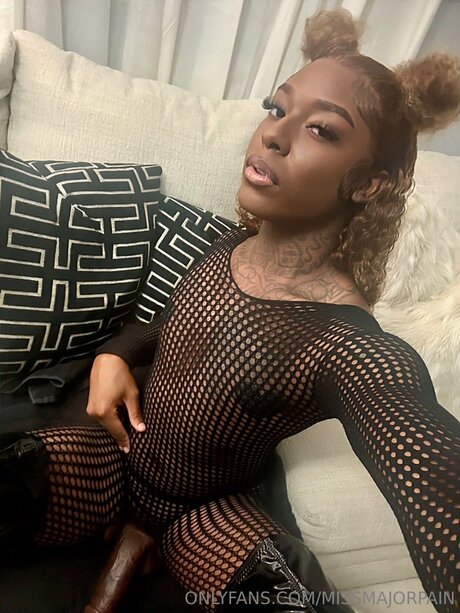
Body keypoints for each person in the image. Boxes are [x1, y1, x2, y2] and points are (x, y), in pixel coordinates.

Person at [1, 8, 459, 613]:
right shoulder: (227, 246)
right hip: (113, 456)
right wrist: (115, 354)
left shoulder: (348, 344)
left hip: (206, 515)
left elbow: (434, 472)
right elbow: (171, 325)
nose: (273, 133)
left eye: (322, 130)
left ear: (370, 183)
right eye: (276, 107)